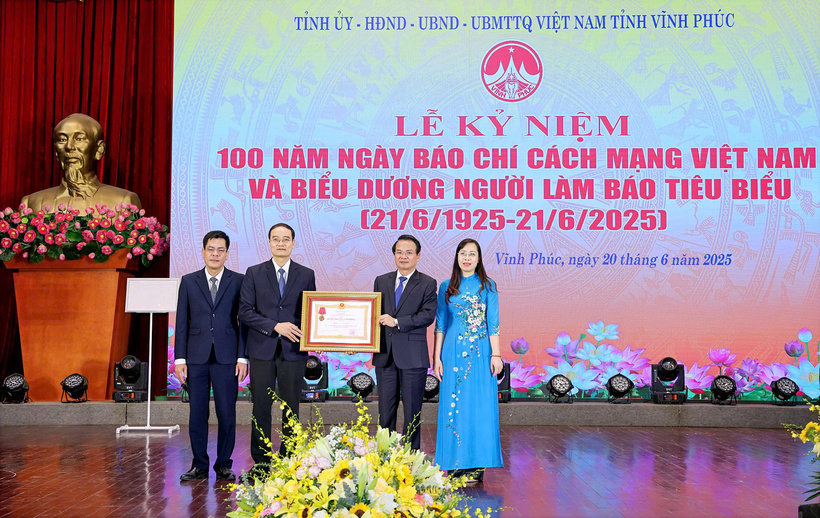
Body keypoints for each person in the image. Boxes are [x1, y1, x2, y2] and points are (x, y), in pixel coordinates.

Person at [239, 222, 315, 465]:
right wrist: (274, 326)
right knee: (261, 406)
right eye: (276, 239)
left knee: (292, 407)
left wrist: (317, 336)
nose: (281, 243)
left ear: (293, 243)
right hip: (262, 349)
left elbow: (311, 312)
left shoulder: (306, 274)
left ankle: (289, 458)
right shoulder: (254, 272)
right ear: (269, 242)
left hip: (293, 350)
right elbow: (245, 312)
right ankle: (261, 460)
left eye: (286, 239)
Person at [174, 230, 248, 482]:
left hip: (227, 357)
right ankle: (199, 465)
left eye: (220, 250)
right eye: (211, 249)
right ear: (203, 252)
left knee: (227, 413)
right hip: (196, 357)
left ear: (227, 254)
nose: (215, 254)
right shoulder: (188, 281)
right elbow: (182, 321)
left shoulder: (238, 281)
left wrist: (242, 357)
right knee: (197, 413)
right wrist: (180, 359)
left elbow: (243, 322)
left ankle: (224, 464)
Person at [433, 238, 503, 483]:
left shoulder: (488, 286)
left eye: (472, 254)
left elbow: (493, 323)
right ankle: (454, 465)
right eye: (463, 253)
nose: (467, 258)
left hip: (481, 353)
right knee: (454, 407)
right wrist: (436, 357)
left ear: (479, 258)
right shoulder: (446, 286)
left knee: (479, 407)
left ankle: (476, 466)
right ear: (457, 257)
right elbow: (441, 324)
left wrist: (496, 354)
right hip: (452, 353)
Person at [373, 234, 437, 451]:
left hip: (412, 356)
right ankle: (385, 456)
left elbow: (427, 316)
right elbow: (373, 314)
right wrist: (360, 341)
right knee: (385, 413)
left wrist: (397, 322)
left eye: (409, 252)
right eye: (399, 252)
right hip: (385, 356)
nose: (403, 256)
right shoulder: (381, 280)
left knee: (412, 412)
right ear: (394, 255)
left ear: (418, 256)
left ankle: (411, 458)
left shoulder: (427, 283)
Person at [21, 113, 142, 213]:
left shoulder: (123, 201)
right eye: (62, 139)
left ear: (99, 150)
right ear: (56, 152)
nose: (69, 147)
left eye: (79, 139)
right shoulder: (31, 204)